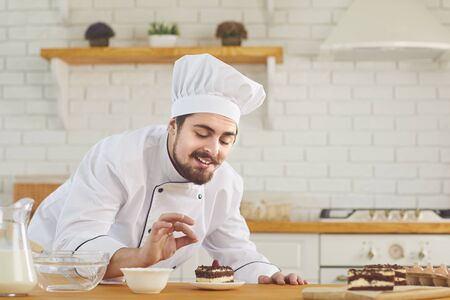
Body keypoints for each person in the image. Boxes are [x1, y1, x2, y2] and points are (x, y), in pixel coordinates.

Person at [28, 54, 308, 285]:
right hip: (51, 274)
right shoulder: (118, 157)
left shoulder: (225, 183)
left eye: (226, 139)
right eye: (202, 133)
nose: (213, 149)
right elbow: (75, 245)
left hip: (134, 288)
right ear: (173, 126)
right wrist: (141, 257)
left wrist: (271, 275)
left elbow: (236, 251)